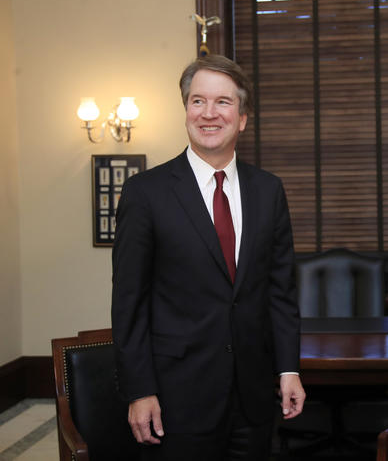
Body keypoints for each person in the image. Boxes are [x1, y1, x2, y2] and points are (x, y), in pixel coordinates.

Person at [111, 55, 305, 460]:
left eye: (223, 102)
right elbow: (129, 304)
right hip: (175, 398)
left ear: (243, 117)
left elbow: (280, 291)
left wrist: (289, 369)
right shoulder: (145, 193)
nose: (209, 114)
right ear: (186, 112)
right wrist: (139, 389)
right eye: (198, 101)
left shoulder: (268, 190)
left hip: (252, 398)